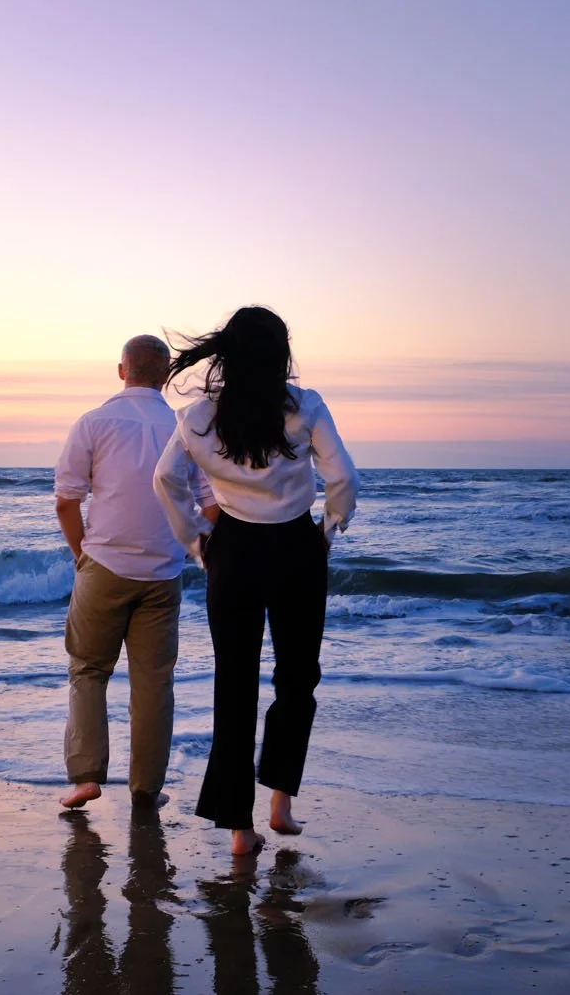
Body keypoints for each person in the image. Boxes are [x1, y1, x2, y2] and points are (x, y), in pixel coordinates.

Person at [153, 306, 358, 856]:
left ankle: (240, 831)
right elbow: (343, 478)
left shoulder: (199, 417)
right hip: (295, 548)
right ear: (280, 354)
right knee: (297, 678)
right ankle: (281, 802)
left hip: (234, 553)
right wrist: (328, 530)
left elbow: (165, 479)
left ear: (229, 354)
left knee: (234, 685)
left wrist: (198, 543)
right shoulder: (305, 407)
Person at [53, 335, 218, 811]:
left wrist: (81, 553)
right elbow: (212, 507)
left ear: (121, 370)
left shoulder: (94, 422)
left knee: (88, 669)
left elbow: (67, 499)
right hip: (162, 573)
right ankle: (146, 788)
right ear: (164, 376)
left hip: (103, 563)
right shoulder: (185, 426)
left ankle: (85, 778)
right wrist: (186, 547)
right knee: (153, 682)